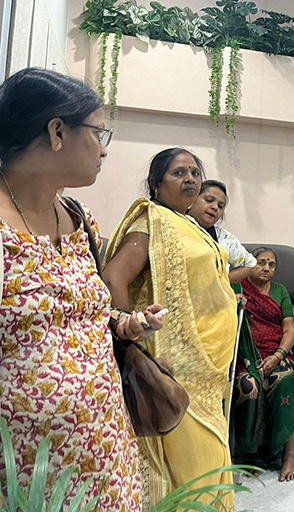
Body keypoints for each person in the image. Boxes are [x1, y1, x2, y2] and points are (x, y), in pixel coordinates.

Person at [0, 68, 163, 511]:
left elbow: (81, 313)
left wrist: (125, 324)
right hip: (29, 474)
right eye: (97, 133)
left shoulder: (78, 218)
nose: (104, 149)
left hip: (106, 450)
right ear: (57, 132)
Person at [103, 148, 238, 509]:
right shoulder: (151, 221)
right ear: (156, 183)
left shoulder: (188, 223)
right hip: (176, 364)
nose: (190, 179)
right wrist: (131, 338)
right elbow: (114, 279)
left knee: (213, 456)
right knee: (192, 467)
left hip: (208, 369)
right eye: (179, 173)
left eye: (195, 172)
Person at [234, 247, 294, 481]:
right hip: (246, 356)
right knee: (248, 386)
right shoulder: (237, 287)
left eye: (271, 265)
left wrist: (278, 356)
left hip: (277, 354)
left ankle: (290, 453)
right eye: (261, 262)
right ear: (250, 263)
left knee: (286, 380)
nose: (266, 268)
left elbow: (290, 330)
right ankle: (252, 455)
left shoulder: (279, 291)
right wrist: (233, 304)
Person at [188, 179, 256, 284]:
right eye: (209, 200)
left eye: (220, 206)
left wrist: (221, 283)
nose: (215, 207)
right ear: (191, 201)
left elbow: (250, 264)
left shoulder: (224, 239)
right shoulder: (172, 226)